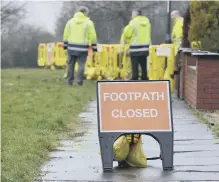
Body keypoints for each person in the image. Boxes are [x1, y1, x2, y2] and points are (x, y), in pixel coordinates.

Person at [63, 6, 97, 86]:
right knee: (81, 65)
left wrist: (65, 46)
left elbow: (65, 35)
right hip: (82, 48)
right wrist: (94, 47)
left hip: (71, 47)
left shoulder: (70, 22)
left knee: (70, 64)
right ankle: (79, 82)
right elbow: (93, 36)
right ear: (85, 13)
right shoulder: (89, 23)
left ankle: (70, 81)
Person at [120, 9, 151, 81]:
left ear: (135, 14)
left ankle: (135, 77)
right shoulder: (147, 22)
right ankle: (144, 77)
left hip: (135, 47)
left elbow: (127, 33)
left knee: (134, 64)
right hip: (145, 47)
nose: (131, 15)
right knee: (143, 63)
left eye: (132, 14)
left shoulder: (133, 22)